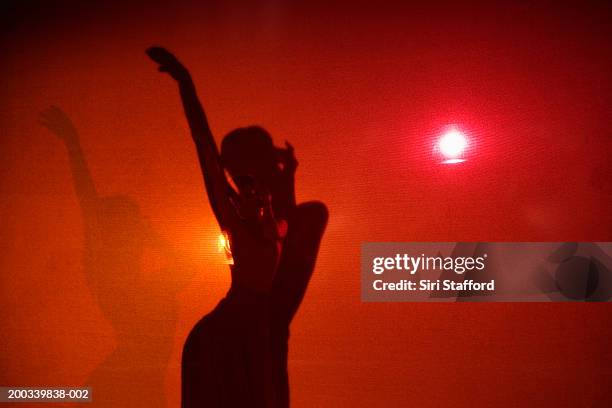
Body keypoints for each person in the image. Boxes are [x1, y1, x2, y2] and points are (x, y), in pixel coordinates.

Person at [146, 47, 328, 407]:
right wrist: (186, 83)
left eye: (249, 174)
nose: (242, 184)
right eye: (235, 176)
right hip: (226, 335)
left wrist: (285, 177)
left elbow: (288, 224)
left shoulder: (293, 219)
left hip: (256, 335)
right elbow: (204, 147)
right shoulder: (232, 216)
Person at [40, 106, 197, 407]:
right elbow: (88, 199)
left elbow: (186, 264)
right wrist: (72, 144)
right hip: (133, 380)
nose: (140, 229)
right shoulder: (133, 288)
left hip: (137, 379)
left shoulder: (150, 290)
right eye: (135, 225)